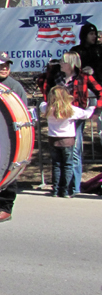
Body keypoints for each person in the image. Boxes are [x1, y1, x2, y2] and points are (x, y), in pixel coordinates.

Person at [48, 51, 102, 195]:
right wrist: (49, 71)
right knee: (59, 156)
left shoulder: (83, 77)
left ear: (71, 64)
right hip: (59, 117)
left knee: (75, 151)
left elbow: (100, 91)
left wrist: (97, 111)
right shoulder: (57, 76)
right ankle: (60, 187)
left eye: (64, 61)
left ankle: (74, 187)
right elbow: (46, 89)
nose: (61, 64)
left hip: (76, 116)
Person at [0, 52, 29, 222]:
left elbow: (23, 113)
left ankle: (5, 207)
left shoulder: (14, 86)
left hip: (8, 136)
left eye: (7, 65)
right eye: (1, 65)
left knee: (8, 172)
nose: (5, 69)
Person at [41, 86, 95, 197]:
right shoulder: (71, 110)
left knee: (56, 165)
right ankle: (65, 190)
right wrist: (92, 106)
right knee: (68, 165)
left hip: (53, 139)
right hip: (67, 140)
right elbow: (86, 114)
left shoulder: (47, 108)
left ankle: (55, 189)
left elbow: (41, 104)